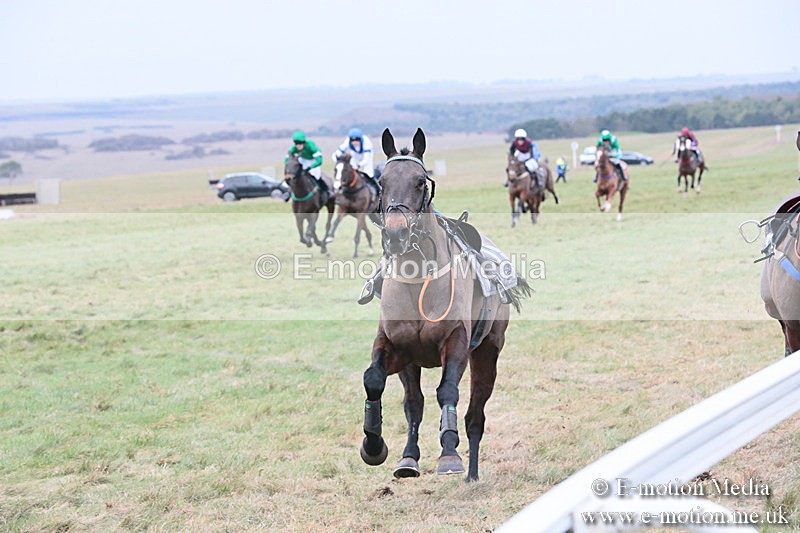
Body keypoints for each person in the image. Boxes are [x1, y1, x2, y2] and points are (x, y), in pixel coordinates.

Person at [332, 127, 380, 194]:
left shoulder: (366, 142)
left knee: (369, 173)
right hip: (355, 154)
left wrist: (359, 165)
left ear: (360, 139)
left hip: (366, 156)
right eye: (352, 140)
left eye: (357, 140)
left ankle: (377, 190)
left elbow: (366, 159)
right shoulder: (347, 141)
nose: (354, 142)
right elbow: (337, 152)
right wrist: (338, 161)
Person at [285, 130, 329, 203]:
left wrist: (311, 167)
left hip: (314, 161)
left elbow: (319, 161)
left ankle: (326, 192)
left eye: (300, 143)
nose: (298, 145)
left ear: (304, 142)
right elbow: (287, 158)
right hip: (303, 160)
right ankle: (288, 193)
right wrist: (288, 166)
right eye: (296, 143)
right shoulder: (294, 148)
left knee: (316, 177)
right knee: (296, 176)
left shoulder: (311, 146)